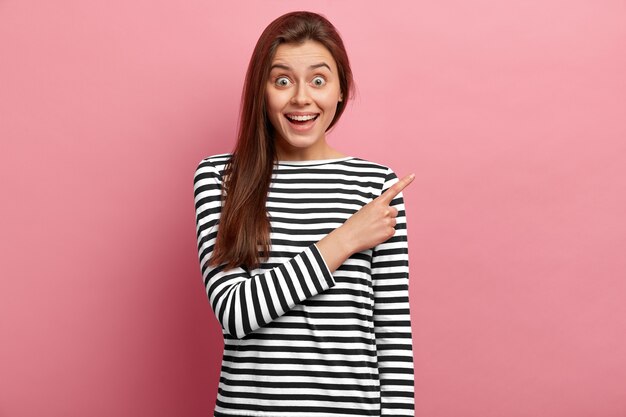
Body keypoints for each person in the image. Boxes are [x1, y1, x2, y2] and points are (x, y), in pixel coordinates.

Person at [193, 11, 415, 417]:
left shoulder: (377, 185)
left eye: (318, 80)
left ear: (341, 90)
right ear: (262, 91)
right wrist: (344, 240)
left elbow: (393, 337)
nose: (301, 98)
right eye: (282, 80)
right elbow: (235, 313)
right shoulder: (220, 178)